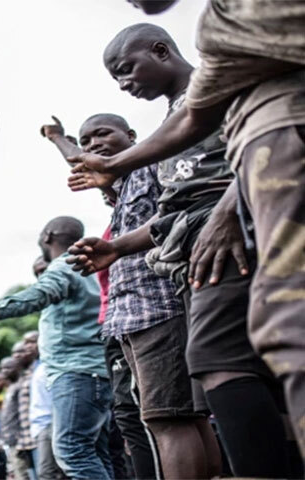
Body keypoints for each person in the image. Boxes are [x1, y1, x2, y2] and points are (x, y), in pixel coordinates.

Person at [68, 23, 296, 477]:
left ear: (160, 50)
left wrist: (228, 213)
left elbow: (264, 143)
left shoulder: (219, 80)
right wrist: (117, 247)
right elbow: (174, 210)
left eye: (127, 69)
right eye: (115, 77)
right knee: (249, 372)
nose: (123, 83)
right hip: (194, 249)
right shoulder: (173, 122)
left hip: (235, 236)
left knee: (220, 363)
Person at [0, 217, 113, 480]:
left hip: (76, 371)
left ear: (47, 236)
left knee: (72, 451)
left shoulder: (65, 265)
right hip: (97, 372)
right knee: (96, 454)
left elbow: (32, 298)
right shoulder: (92, 268)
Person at [45, 113, 168, 480]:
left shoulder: (151, 168)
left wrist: (57, 137)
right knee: (133, 419)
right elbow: (86, 163)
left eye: (102, 134)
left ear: (131, 135)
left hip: (155, 310)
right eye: (86, 140)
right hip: (120, 324)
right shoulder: (121, 203)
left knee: (165, 417)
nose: (93, 145)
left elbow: (85, 161)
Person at [11, 342, 37, 480]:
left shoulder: (38, 372)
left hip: (39, 435)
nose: (16, 356)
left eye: (20, 352)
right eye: (14, 353)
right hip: (25, 439)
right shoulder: (22, 378)